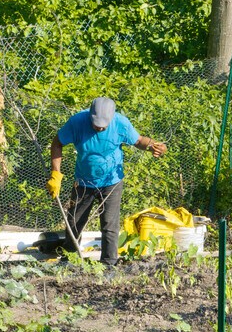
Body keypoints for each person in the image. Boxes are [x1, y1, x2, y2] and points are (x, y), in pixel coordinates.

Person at [46, 97, 167, 266]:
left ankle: (109, 265)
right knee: (74, 222)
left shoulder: (121, 124)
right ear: (90, 116)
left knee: (109, 225)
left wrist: (154, 145)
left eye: (104, 125)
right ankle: (70, 261)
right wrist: (55, 174)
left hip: (112, 182)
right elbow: (57, 143)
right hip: (83, 182)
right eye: (96, 124)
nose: (100, 127)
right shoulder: (77, 122)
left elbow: (139, 141)